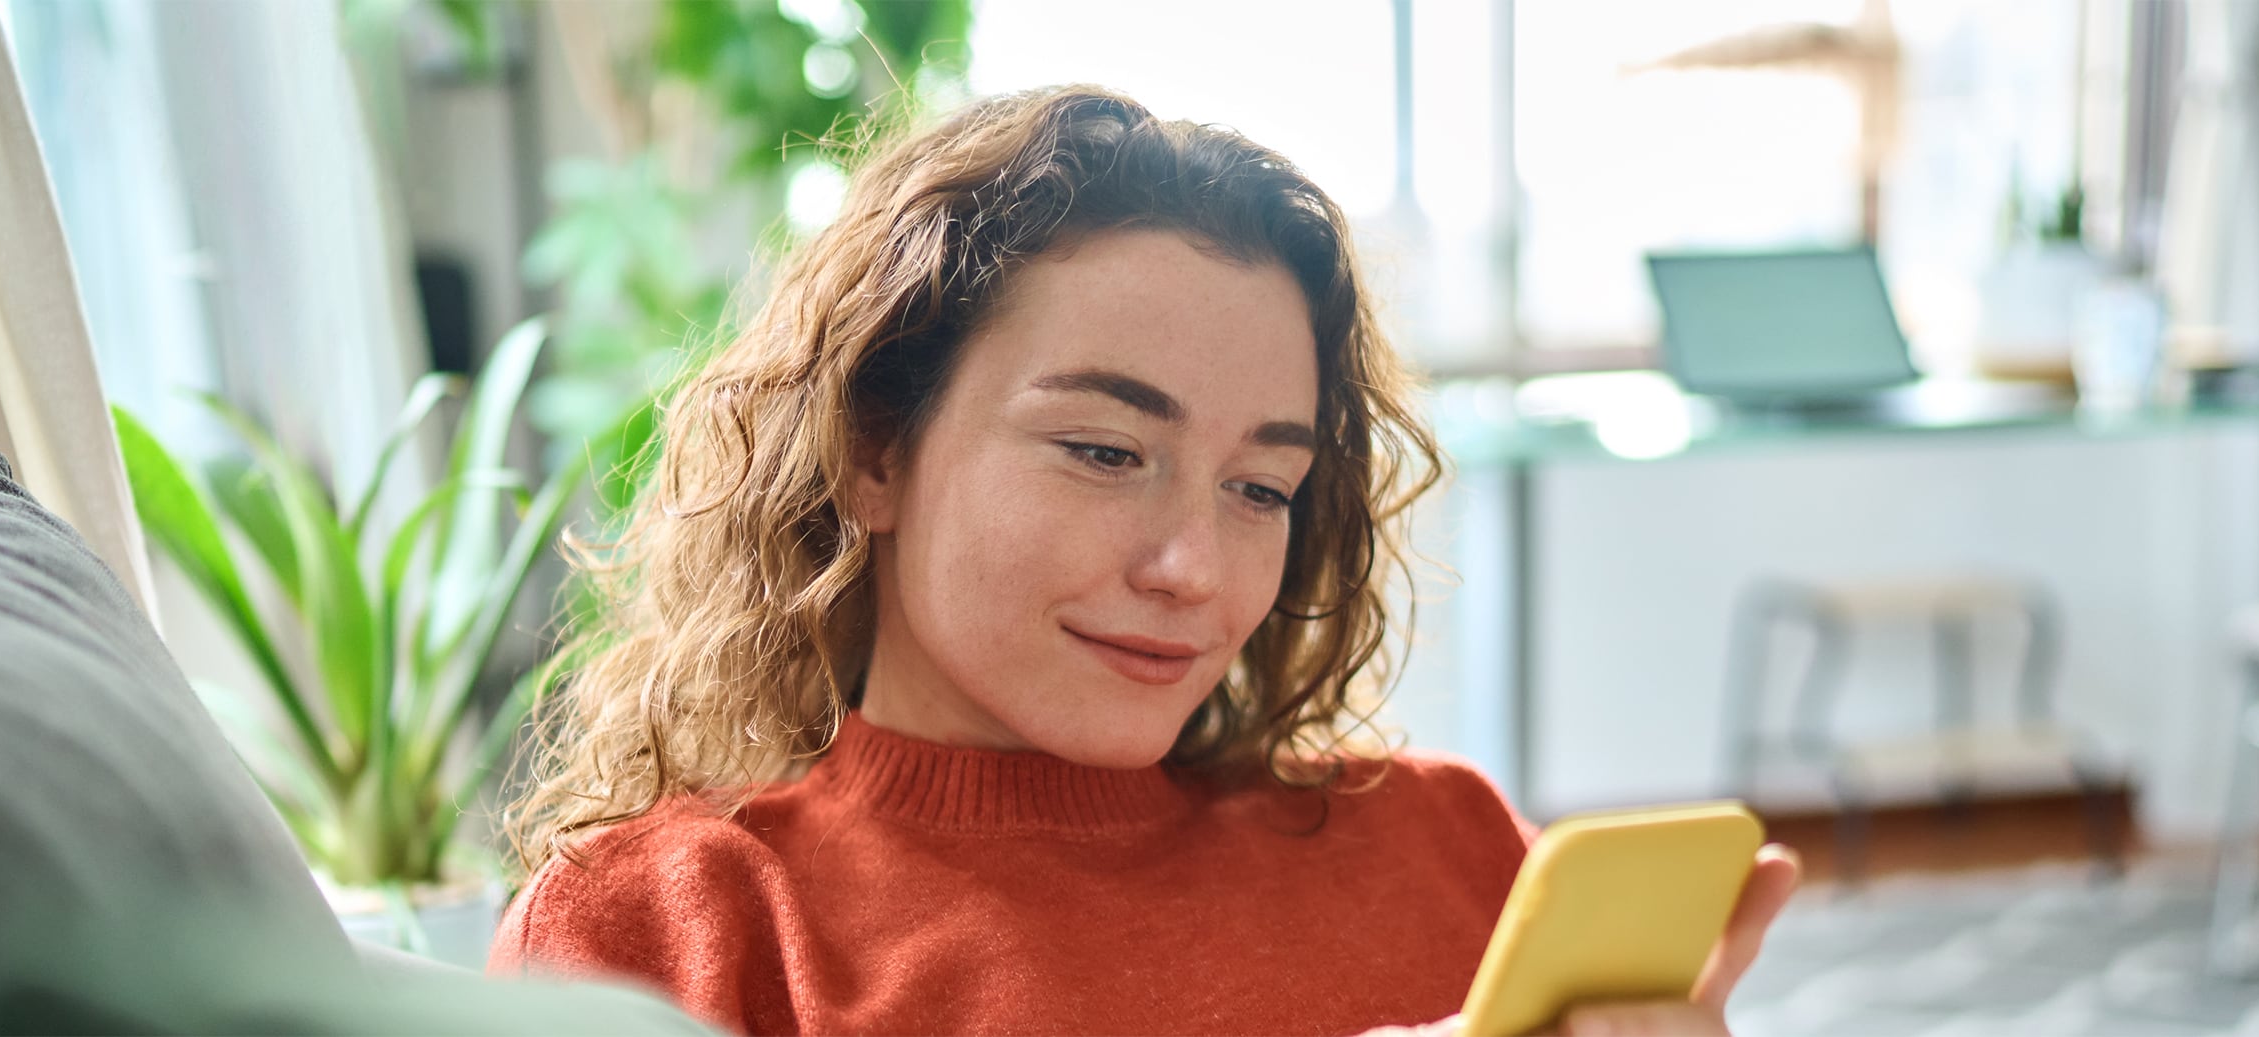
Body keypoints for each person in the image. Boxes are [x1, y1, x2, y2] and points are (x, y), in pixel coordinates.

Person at [491, 84, 1799, 1036]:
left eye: (1260, 486)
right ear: (874, 450)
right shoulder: (666, 929)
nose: (1192, 566)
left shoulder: (1443, 841)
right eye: (1108, 451)